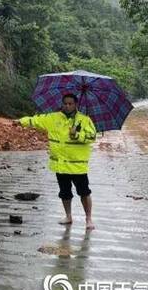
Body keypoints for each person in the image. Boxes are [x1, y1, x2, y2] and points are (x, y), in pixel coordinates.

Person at [13, 94, 97, 230]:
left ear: (76, 104)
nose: (68, 106)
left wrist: (77, 135)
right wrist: (21, 121)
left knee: (84, 192)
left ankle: (88, 218)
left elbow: (92, 136)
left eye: (71, 104)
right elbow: (36, 120)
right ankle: (68, 216)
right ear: (62, 104)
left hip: (77, 166)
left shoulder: (84, 120)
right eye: (65, 103)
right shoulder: (53, 118)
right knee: (64, 192)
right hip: (60, 164)